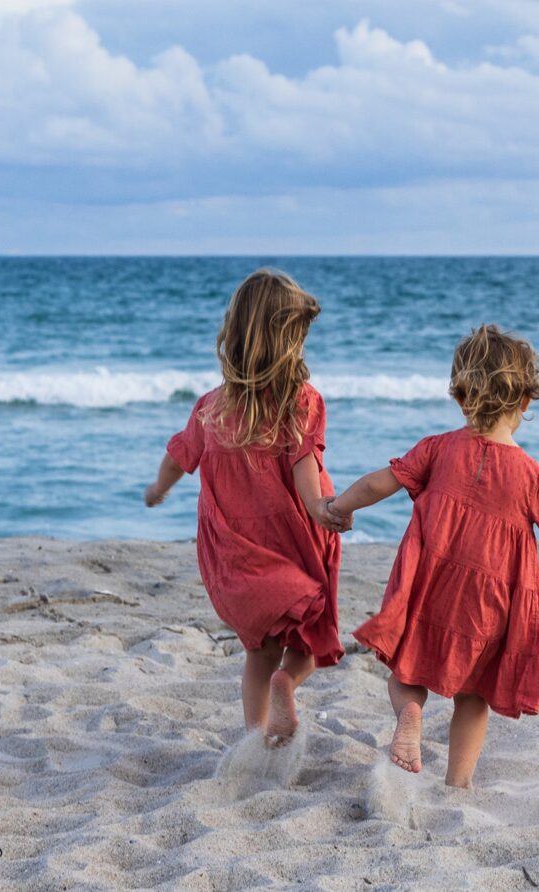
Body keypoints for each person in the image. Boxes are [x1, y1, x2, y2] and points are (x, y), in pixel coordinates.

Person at [324, 324, 539, 787]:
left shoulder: (436, 448)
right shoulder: (535, 477)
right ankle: (457, 784)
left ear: (460, 397)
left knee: (406, 671)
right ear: (525, 402)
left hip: (430, 585)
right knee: (473, 695)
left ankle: (410, 713)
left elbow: (380, 482)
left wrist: (337, 507)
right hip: (489, 604)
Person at [144, 269, 346, 747]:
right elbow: (304, 465)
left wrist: (158, 487)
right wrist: (319, 507)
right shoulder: (302, 401)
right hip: (295, 541)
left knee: (260, 651)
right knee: (313, 633)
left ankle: (257, 740)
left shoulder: (211, 408)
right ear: (288, 341)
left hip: (237, 552)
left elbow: (178, 457)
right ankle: (287, 684)